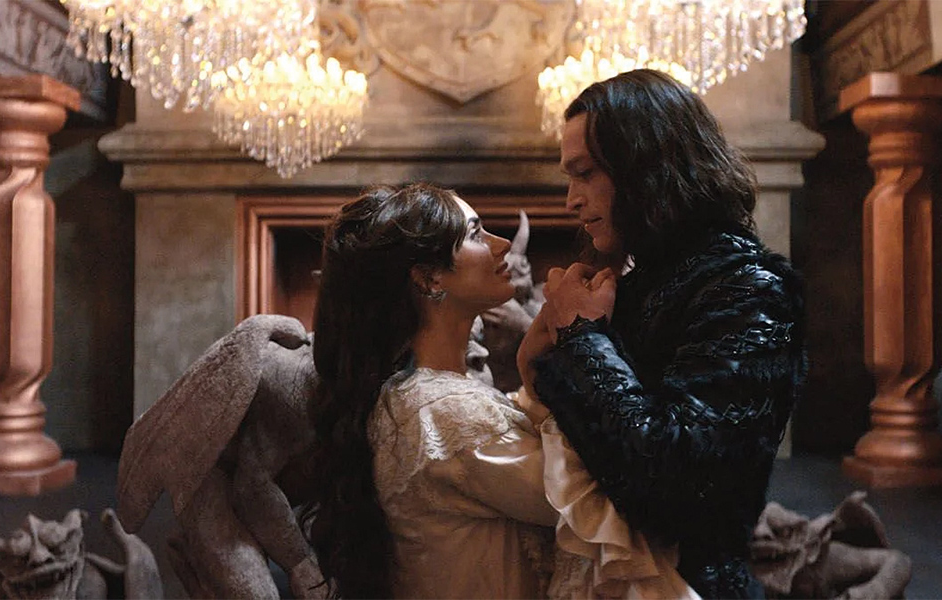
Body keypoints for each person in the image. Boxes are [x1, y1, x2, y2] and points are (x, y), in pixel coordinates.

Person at [302, 182, 696, 600]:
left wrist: (530, 364)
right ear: (429, 276)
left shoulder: (428, 397)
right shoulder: (441, 410)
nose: (502, 244)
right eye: (475, 234)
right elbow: (610, 494)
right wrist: (587, 336)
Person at [517, 69, 807, 599]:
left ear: (646, 168)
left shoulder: (749, 288)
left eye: (585, 174)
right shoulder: (640, 281)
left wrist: (580, 335)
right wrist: (538, 354)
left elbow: (674, 486)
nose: (571, 200)